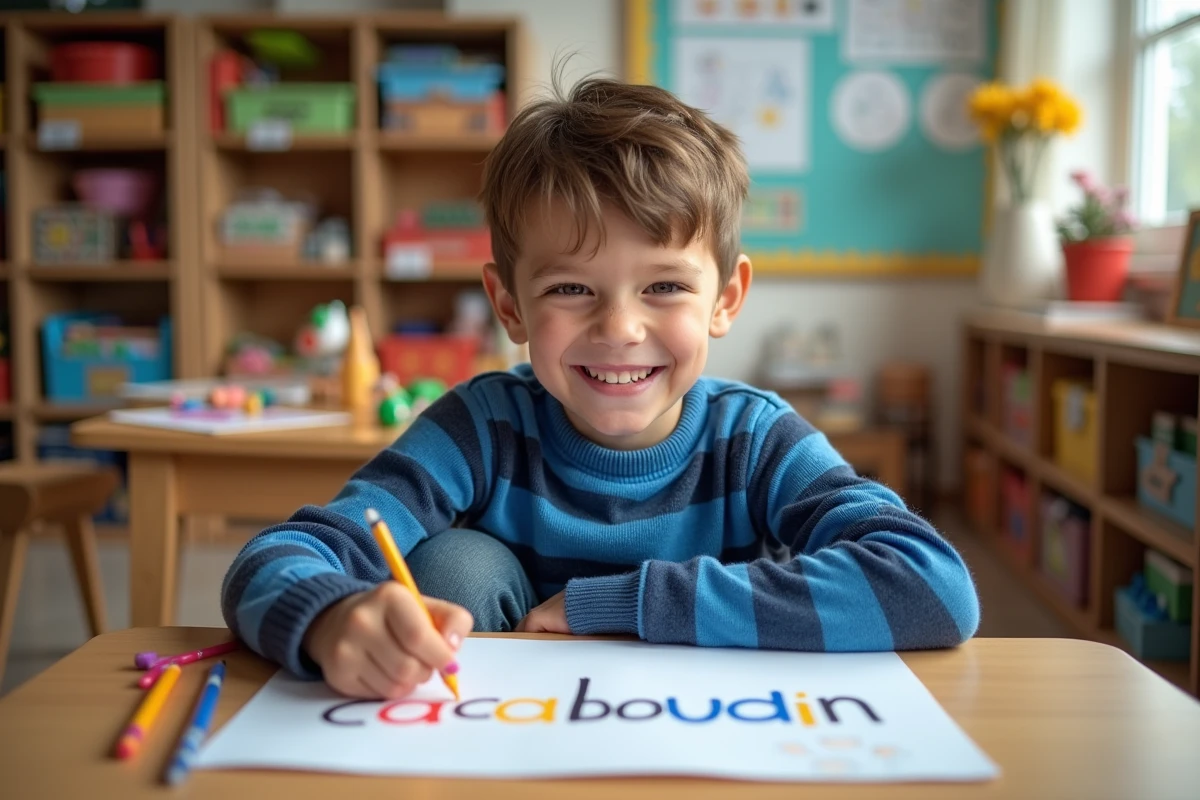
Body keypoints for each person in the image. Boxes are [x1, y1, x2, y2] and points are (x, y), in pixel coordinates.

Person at [220, 73, 980, 700]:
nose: (620, 328)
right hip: (494, 742)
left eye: (663, 287)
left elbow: (934, 585)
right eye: (572, 290)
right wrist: (332, 617)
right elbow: (278, 556)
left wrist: (624, 605)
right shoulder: (480, 426)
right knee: (455, 567)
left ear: (726, 299)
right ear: (510, 305)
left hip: (709, 734)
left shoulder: (755, 438)